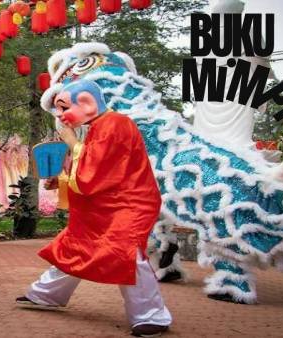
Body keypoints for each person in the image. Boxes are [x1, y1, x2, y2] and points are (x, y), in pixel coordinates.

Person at [16, 80, 172, 337]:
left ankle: (152, 315)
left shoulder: (115, 124)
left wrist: (70, 142)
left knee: (126, 252)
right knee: (76, 245)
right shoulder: (98, 126)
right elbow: (94, 168)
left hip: (128, 204)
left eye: (63, 108)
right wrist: (64, 179)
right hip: (105, 203)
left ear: (87, 103)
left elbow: (96, 169)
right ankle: (46, 294)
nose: (60, 116)